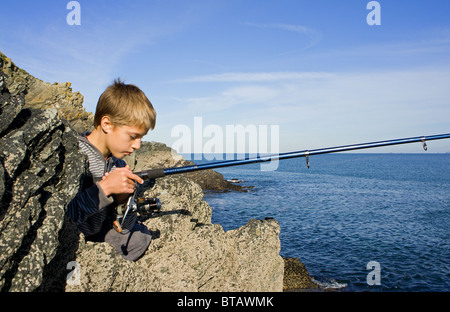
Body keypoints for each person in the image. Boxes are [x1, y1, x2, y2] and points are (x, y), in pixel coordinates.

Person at [67, 79, 156, 261]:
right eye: (133, 136)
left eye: (141, 138)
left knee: (141, 236)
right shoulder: (72, 154)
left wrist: (121, 200)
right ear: (107, 124)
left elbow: (119, 222)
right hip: (70, 242)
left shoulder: (119, 164)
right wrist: (105, 188)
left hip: (99, 233)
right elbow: (64, 217)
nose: (138, 145)